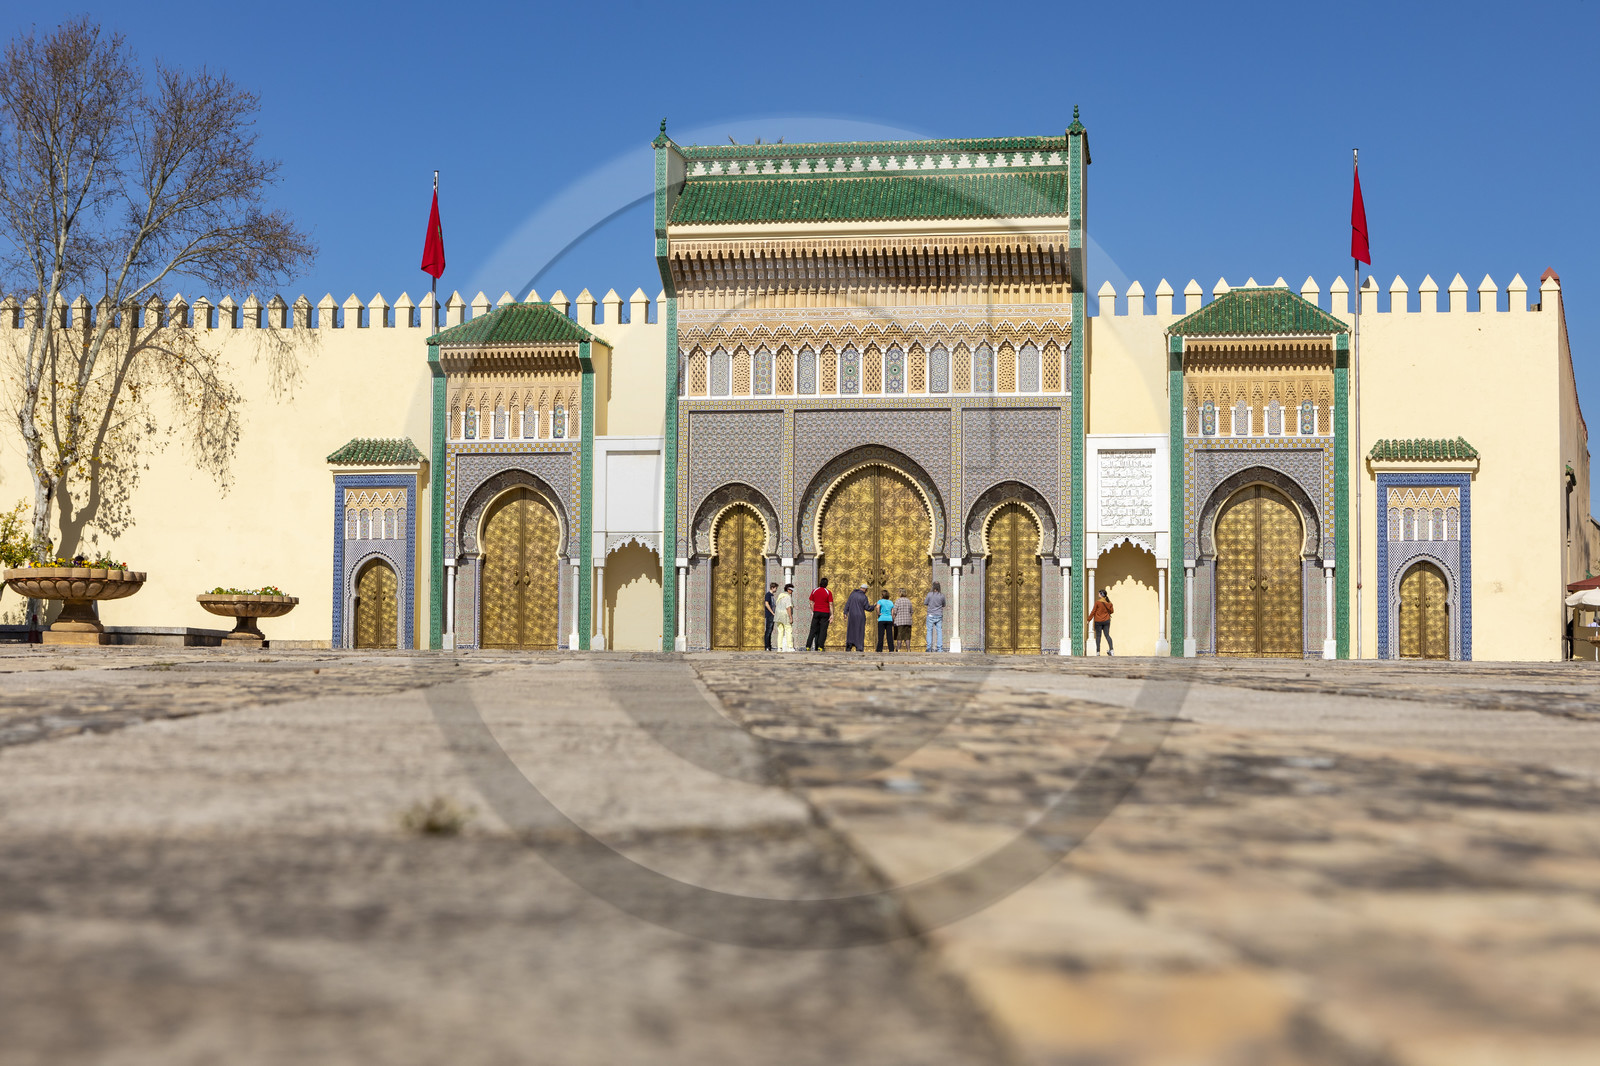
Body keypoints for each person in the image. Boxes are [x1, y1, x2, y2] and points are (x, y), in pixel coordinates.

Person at [805, 577, 833, 651]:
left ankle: (808, 646)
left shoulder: (815, 591)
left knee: (813, 630)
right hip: (825, 613)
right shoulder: (828, 592)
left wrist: (813, 610)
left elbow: (811, 602)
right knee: (823, 630)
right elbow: (830, 604)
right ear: (826, 584)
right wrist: (832, 614)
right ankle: (820, 646)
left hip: (816, 612)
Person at [843, 583, 870, 652]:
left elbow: (848, 603)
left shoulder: (852, 594)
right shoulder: (864, 597)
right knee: (859, 631)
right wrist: (873, 606)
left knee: (851, 630)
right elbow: (867, 607)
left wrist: (845, 612)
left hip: (852, 615)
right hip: (860, 616)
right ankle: (859, 646)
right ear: (864, 589)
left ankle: (849, 645)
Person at [1089, 588, 1114, 655]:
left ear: (1101, 594)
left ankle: (1098, 652)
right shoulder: (1109, 603)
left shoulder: (1098, 602)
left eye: (1099, 593)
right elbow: (1112, 611)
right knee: (1107, 635)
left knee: (1098, 636)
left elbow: (1093, 611)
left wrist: (1089, 619)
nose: (1098, 594)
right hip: (1106, 621)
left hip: (1098, 621)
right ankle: (1111, 650)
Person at [924, 581, 946, 652]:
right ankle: (939, 648)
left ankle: (929, 648)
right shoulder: (941, 595)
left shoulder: (929, 594)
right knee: (939, 631)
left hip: (930, 615)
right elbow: (944, 604)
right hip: (939, 615)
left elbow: (925, 603)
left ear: (933, 587)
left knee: (929, 631)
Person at [773, 584, 795, 652]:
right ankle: (790, 647)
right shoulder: (787, 597)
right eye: (791, 590)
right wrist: (790, 617)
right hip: (785, 615)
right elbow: (788, 607)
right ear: (788, 590)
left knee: (780, 631)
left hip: (778, 615)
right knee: (788, 630)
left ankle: (779, 647)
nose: (792, 591)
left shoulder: (780, 596)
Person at [762, 581, 777, 651]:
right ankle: (767, 646)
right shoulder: (768, 595)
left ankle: (769, 645)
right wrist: (772, 612)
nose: (776, 589)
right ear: (772, 588)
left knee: (770, 630)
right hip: (770, 615)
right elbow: (766, 604)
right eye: (775, 588)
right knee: (768, 630)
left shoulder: (772, 595)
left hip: (772, 615)